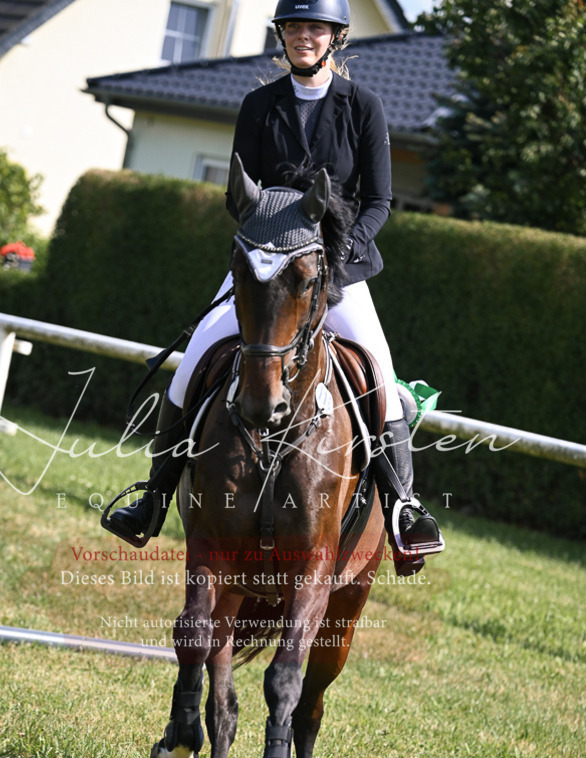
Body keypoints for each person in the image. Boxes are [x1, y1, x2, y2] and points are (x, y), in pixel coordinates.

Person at [103, 0, 443, 574]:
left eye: (315, 28)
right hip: (265, 268)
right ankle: (153, 497)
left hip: (337, 270)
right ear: (282, 36)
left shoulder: (363, 106)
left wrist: (339, 254)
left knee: (382, 380)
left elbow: (380, 200)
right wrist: (261, 243)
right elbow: (239, 192)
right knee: (191, 367)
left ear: (334, 38)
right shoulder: (259, 105)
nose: (304, 37)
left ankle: (405, 509)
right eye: (294, 28)